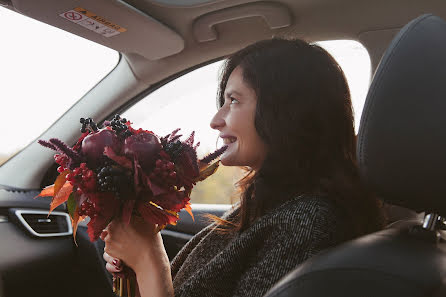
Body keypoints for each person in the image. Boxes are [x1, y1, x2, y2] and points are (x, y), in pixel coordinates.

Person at [101, 38, 385, 297]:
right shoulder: (271, 204)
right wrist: (138, 270)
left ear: (285, 113)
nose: (216, 119)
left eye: (233, 101)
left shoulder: (308, 225)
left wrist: (149, 260)